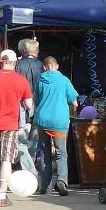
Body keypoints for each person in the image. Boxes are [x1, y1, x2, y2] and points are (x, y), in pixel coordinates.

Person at [0, 49, 33, 206]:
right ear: (15, 62)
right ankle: (1, 196)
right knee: (6, 160)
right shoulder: (21, 80)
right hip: (10, 125)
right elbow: (29, 105)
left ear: (0, 61)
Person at [34, 56, 79, 196]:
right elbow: (74, 102)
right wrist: (72, 113)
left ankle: (45, 186)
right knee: (61, 153)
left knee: (44, 152)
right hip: (59, 122)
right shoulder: (65, 81)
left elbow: (36, 100)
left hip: (42, 121)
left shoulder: (40, 81)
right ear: (57, 66)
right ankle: (61, 180)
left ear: (45, 67)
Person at [16, 38, 44, 168]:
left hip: (20, 103)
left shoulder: (17, 65)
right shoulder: (42, 66)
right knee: (34, 138)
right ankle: (30, 165)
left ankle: (26, 167)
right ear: (36, 51)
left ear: (24, 51)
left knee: (21, 138)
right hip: (38, 104)